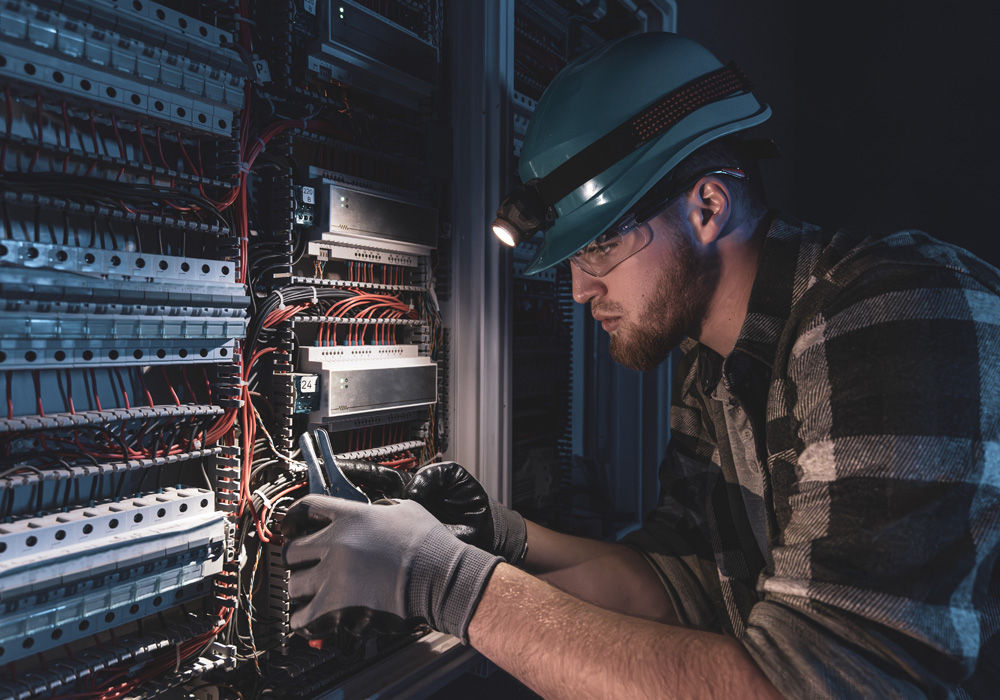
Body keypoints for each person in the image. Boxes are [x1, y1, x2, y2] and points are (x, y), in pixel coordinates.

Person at [281, 32, 1000, 699]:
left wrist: (442, 582)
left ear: (708, 206)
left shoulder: (900, 318)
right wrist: (503, 539)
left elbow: (809, 685)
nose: (579, 289)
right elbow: (680, 584)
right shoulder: (714, 364)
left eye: (599, 247)